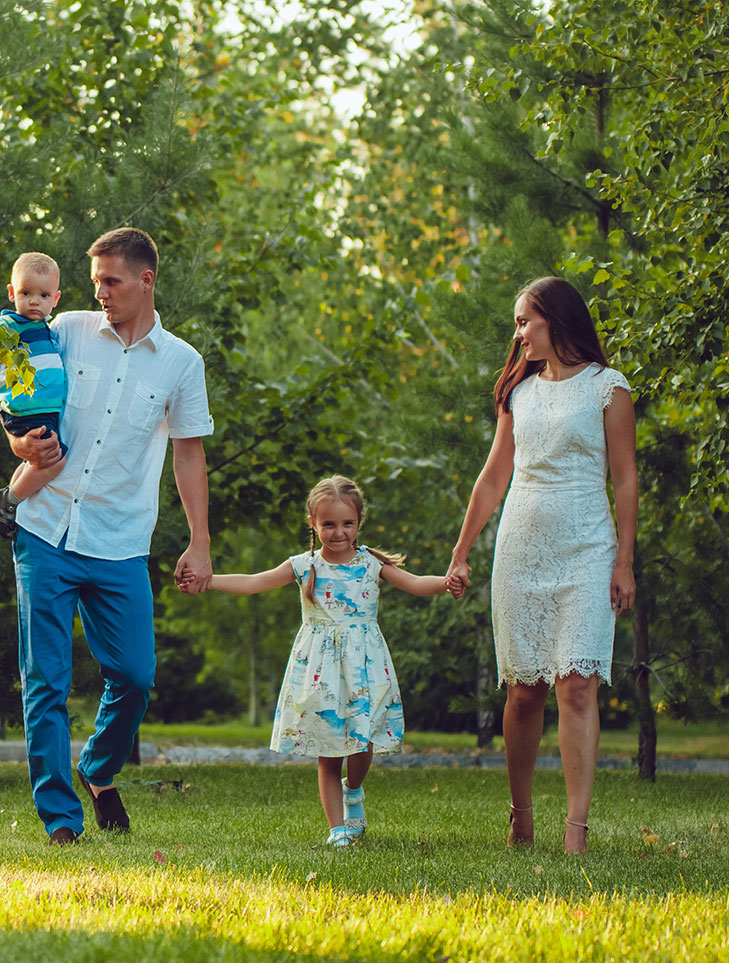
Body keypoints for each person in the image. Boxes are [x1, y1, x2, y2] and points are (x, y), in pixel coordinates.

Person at [6, 227, 214, 845]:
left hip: (120, 541)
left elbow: (189, 456)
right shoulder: (63, 330)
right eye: (94, 281)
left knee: (134, 675)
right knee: (45, 678)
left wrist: (199, 540)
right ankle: (61, 822)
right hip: (45, 527)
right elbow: (16, 397)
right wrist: (20, 442)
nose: (99, 292)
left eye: (111, 281)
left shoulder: (181, 362)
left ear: (146, 280)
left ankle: (97, 767)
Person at [443, 276, 637, 855]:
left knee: (577, 685)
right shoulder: (518, 392)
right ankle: (521, 814)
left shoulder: (609, 388)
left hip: (587, 549)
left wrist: (624, 560)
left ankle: (577, 828)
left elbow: (625, 479)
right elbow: (494, 476)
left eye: (525, 321)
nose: (518, 333)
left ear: (556, 319)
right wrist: (460, 549)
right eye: (517, 323)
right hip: (521, 549)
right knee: (524, 690)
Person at [208, 476, 452, 848]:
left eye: (347, 523)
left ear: (359, 522)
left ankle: (353, 790)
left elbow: (416, 583)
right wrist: (208, 581)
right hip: (319, 669)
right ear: (313, 523)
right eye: (329, 524)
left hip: (364, 667)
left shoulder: (371, 564)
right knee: (328, 745)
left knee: (362, 743)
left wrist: (448, 582)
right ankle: (337, 828)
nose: (338, 532)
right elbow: (254, 582)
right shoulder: (304, 566)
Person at [0, 252, 68, 539]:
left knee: (37, 461)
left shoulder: (46, 329)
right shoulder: (10, 324)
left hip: (41, 411)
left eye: (43, 295)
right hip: (25, 409)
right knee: (56, 461)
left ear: (55, 299)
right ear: (11, 293)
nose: (34, 301)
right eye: (26, 293)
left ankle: (8, 500)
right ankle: (10, 501)